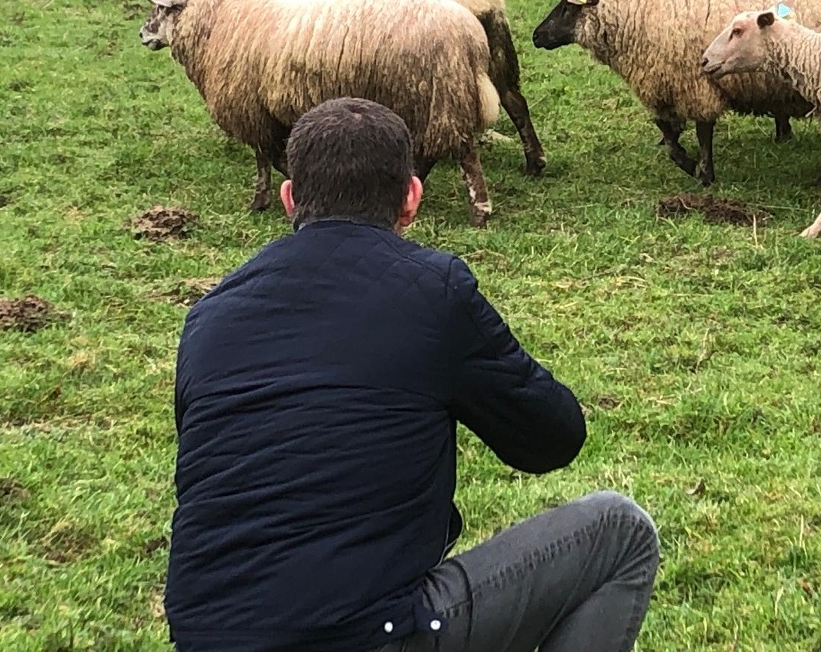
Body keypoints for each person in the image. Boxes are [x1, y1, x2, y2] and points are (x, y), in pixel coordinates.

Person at [164, 97, 660, 652]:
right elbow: (554, 438)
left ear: (289, 199)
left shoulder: (208, 316)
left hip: (205, 636)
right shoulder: (432, 290)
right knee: (621, 531)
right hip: (362, 635)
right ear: (412, 198)